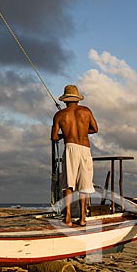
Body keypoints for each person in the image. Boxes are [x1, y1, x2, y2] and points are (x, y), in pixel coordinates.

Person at [51, 84, 98, 227]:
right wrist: (82, 131)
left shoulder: (59, 115)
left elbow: (53, 137)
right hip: (85, 148)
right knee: (84, 183)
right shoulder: (86, 111)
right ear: (77, 99)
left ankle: (68, 218)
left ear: (65, 100)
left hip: (70, 147)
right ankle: (83, 218)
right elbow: (95, 129)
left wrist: (64, 135)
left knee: (68, 183)